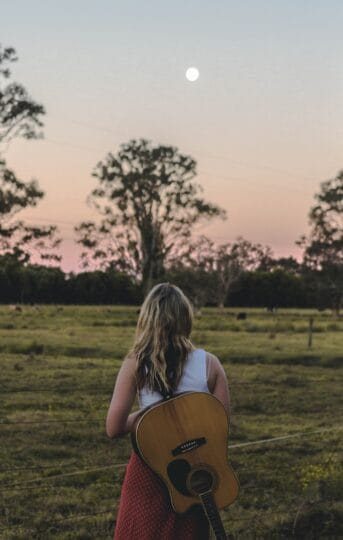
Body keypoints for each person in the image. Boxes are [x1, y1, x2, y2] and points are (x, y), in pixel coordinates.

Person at [106, 282, 230, 540]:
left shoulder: (135, 363)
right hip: (194, 473)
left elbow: (114, 427)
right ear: (185, 318)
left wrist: (150, 418)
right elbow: (221, 427)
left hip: (149, 467)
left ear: (147, 318)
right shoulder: (210, 364)